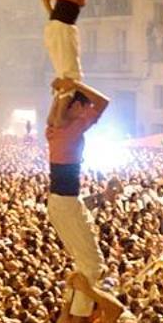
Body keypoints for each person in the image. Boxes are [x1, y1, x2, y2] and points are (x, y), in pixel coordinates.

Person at [45, 79, 110, 286]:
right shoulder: (72, 129)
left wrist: (60, 93)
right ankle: (85, 302)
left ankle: (80, 302)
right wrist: (74, 84)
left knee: (84, 259)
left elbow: (55, 114)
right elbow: (103, 102)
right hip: (66, 202)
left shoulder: (54, 129)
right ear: (78, 106)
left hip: (58, 200)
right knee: (94, 265)